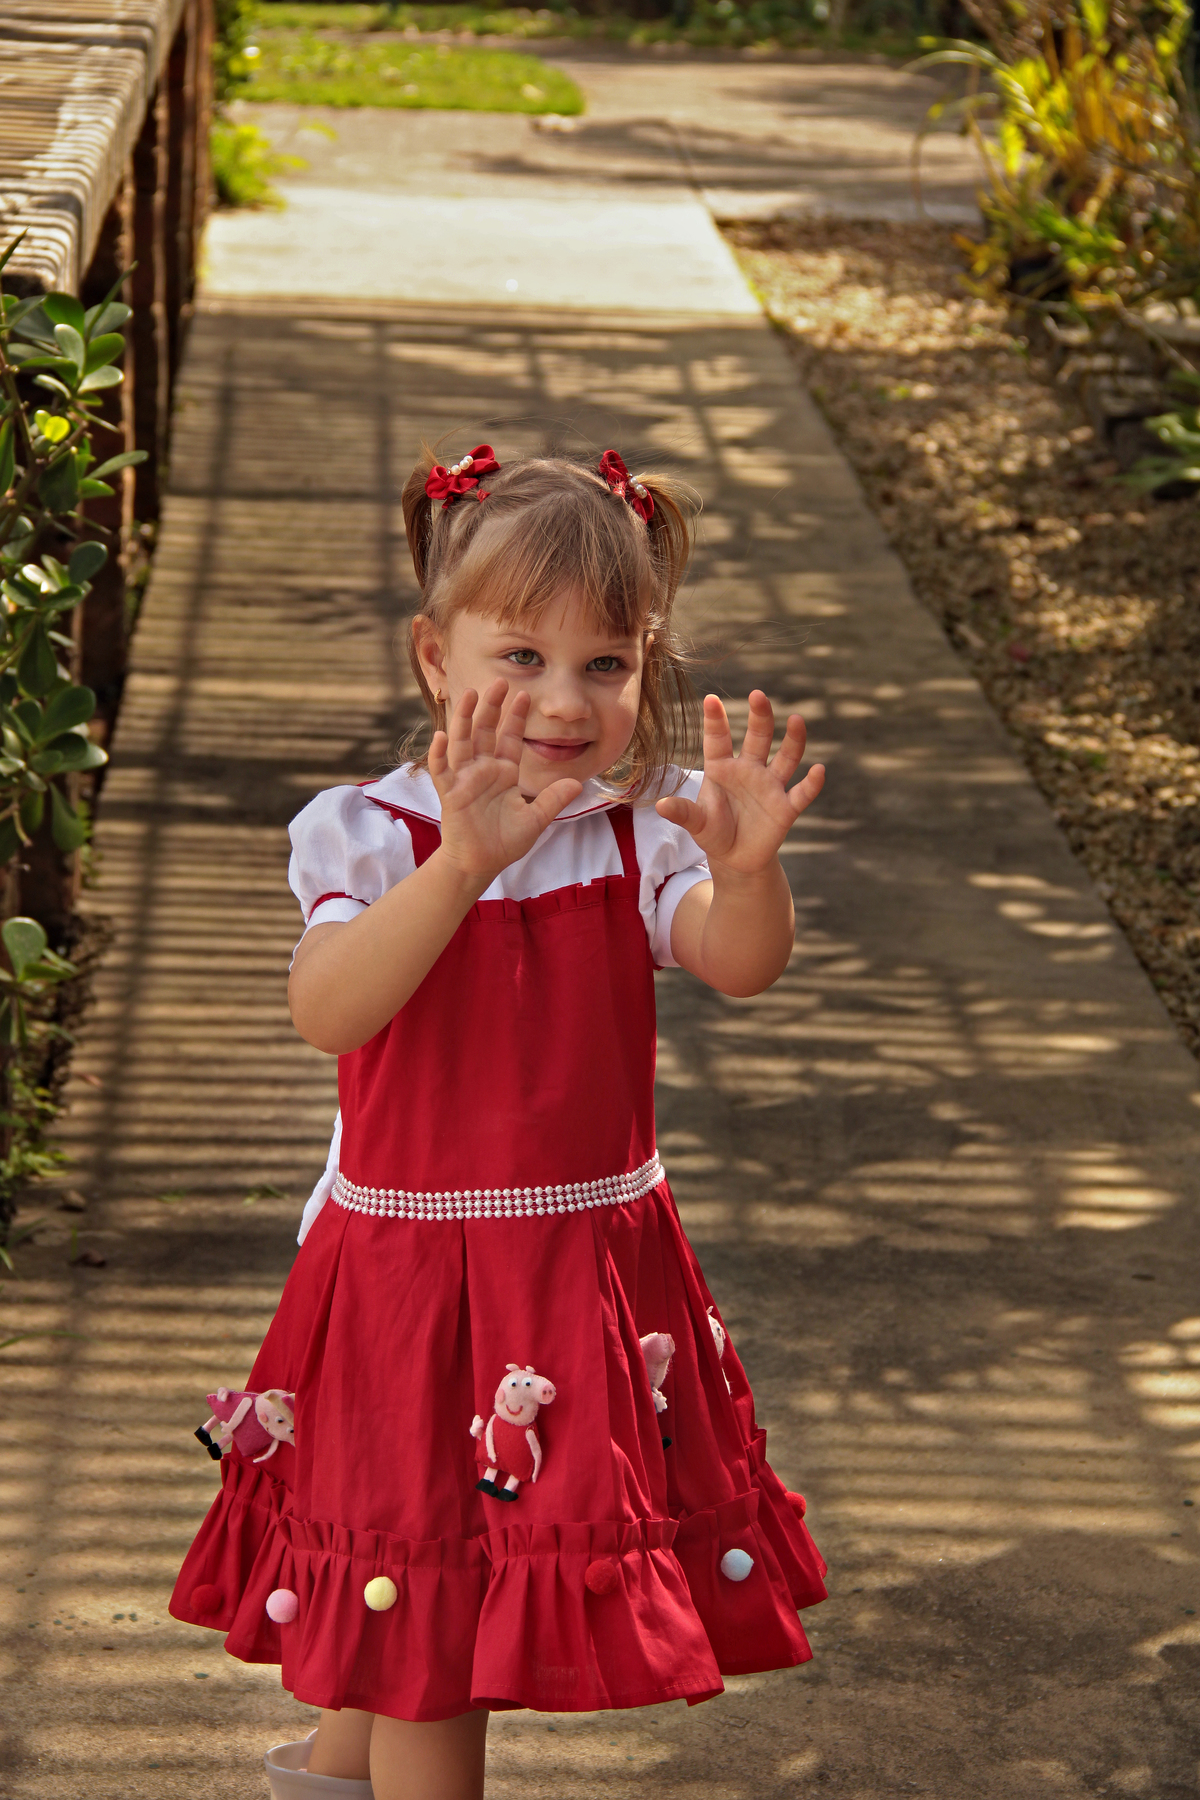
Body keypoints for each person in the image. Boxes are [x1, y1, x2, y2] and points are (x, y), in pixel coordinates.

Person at [170, 443, 829, 1800]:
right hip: (414, 1286)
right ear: (433, 657)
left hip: (572, 1275)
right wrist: (466, 863)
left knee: (417, 1595)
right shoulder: (363, 834)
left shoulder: (631, 832)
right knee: (432, 1617)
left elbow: (736, 959)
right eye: (518, 657)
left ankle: (330, 1779)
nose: (563, 700)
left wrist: (747, 870)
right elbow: (332, 1010)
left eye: (607, 663)